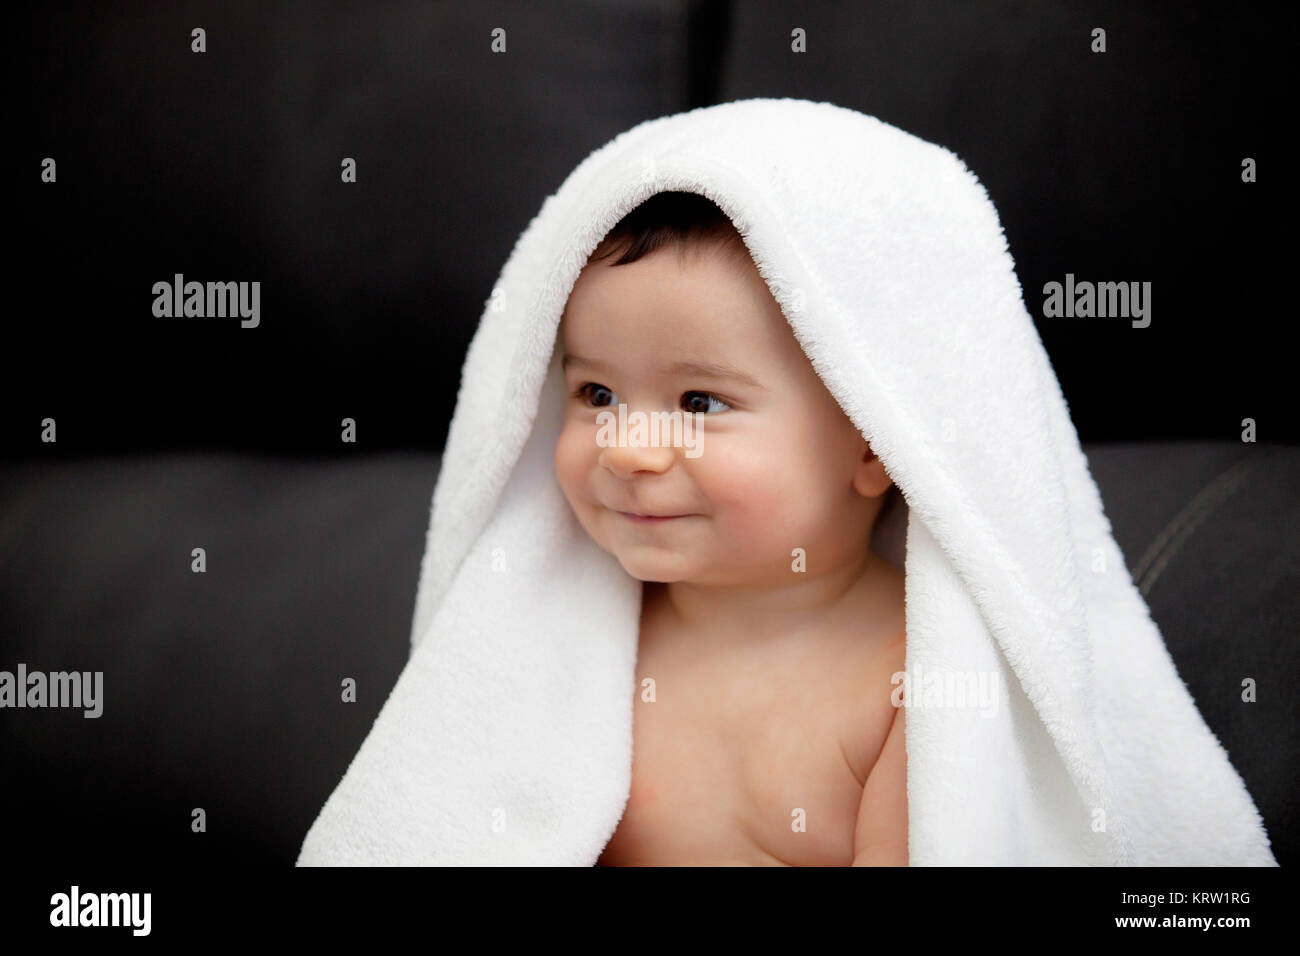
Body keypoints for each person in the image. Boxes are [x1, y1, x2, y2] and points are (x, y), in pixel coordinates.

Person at [554, 191, 909, 865]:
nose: (627, 448)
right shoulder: (570, 639)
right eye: (597, 395)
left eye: (699, 402)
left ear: (870, 443)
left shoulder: (912, 681)